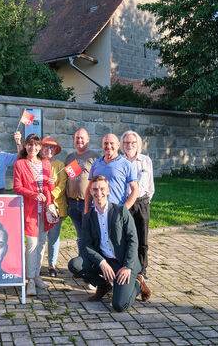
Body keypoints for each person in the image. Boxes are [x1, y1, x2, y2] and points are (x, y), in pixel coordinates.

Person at [68, 175, 151, 312]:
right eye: (95, 189)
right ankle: (104, 285)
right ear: (90, 191)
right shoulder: (88, 217)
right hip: (105, 261)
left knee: (119, 306)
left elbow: (133, 240)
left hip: (124, 263)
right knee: (75, 264)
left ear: (108, 190)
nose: (98, 193)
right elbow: (86, 245)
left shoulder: (121, 211)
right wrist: (102, 262)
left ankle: (137, 282)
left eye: (102, 189)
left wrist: (127, 267)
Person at [13, 134, 56, 296]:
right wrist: (33, 194)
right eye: (30, 145)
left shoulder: (46, 163)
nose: (33, 148)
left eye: (36, 145)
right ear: (25, 146)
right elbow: (17, 187)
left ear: (40, 147)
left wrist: (51, 184)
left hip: (45, 209)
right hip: (30, 209)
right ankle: (29, 279)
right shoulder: (20, 164)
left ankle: (37, 275)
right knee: (31, 244)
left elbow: (49, 188)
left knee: (41, 244)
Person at [121, 131, 154, 280]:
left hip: (142, 203)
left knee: (142, 238)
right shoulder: (119, 161)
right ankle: (126, 267)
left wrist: (146, 201)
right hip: (126, 203)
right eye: (127, 143)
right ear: (122, 145)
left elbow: (151, 185)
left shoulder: (146, 161)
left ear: (138, 144)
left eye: (133, 143)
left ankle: (142, 270)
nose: (130, 145)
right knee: (125, 238)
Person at [85, 134, 139, 214]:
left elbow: (135, 190)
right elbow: (89, 189)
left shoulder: (126, 164)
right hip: (97, 212)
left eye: (111, 143)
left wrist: (124, 210)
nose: (108, 146)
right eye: (106, 143)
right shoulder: (96, 164)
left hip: (116, 211)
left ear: (118, 145)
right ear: (102, 145)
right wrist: (87, 212)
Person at [64, 128, 99, 252]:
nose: (79, 140)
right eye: (77, 138)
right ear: (74, 140)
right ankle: (82, 260)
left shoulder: (94, 157)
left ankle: (91, 261)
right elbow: (66, 180)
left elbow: (99, 180)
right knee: (80, 235)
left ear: (88, 139)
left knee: (88, 234)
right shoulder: (69, 157)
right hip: (73, 203)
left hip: (87, 202)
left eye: (82, 137)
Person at [40, 136, 67, 277]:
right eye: (46, 146)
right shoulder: (37, 163)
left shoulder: (60, 165)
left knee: (54, 237)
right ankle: (37, 263)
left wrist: (50, 194)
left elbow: (62, 185)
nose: (49, 150)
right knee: (40, 236)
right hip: (39, 205)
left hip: (55, 206)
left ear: (56, 150)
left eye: (52, 147)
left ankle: (52, 264)